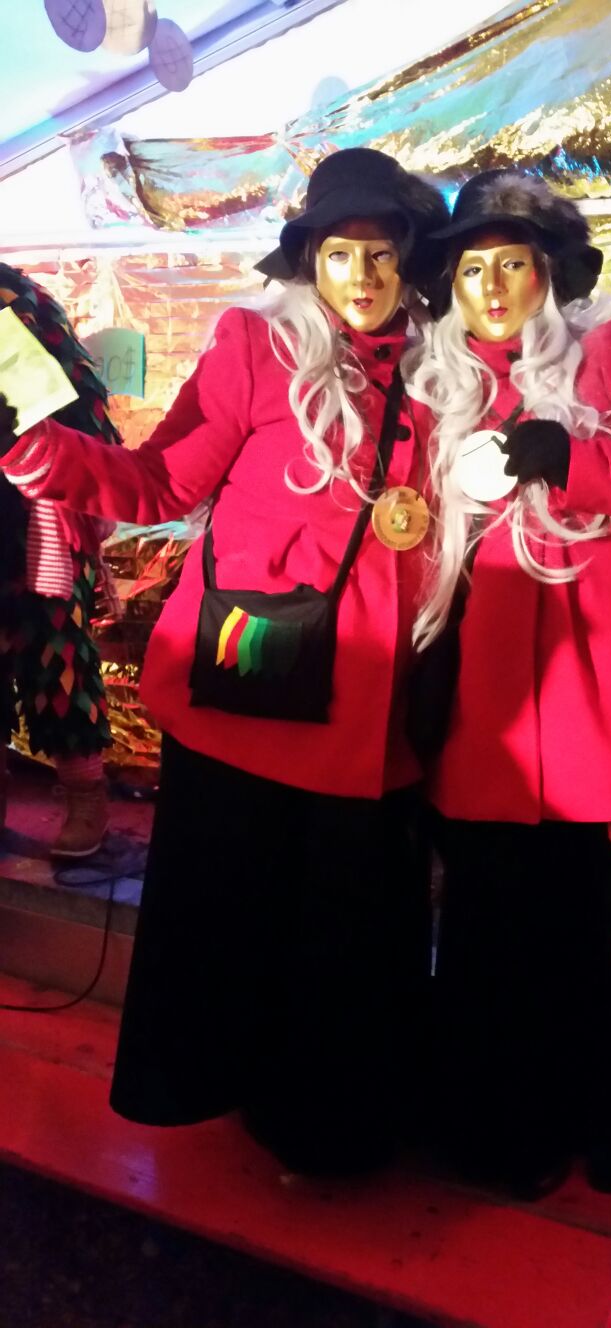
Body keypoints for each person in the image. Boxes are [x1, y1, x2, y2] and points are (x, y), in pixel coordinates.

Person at [0, 149, 448, 1176]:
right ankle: (226, 1096)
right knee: (237, 911)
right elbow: (157, 483)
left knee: (343, 929)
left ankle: (327, 1131)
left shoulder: (449, 367)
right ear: (309, 261)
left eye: (382, 253)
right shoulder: (256, 346)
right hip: (254, 691)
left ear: (410, 260)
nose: (363, 275)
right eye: (340, 253)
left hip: (379, 705)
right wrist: (32, 451)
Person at [409, 170, 611, 1198]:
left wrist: (580, 459)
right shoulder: (437, 378)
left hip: (599, 676)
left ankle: (605, 1116)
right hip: (488, 674)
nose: (491, 286)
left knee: (598, 907)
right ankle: (505, 1116)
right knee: (498, 902)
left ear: (548, 275)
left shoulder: (607, 355)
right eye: (471, 268)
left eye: (511, 264)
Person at [0, 263, 119, 857]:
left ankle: (85, 795)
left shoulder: (19, 299)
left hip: (39, 506)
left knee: (58, 652)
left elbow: (84, 416)